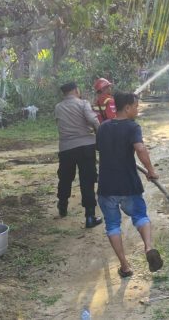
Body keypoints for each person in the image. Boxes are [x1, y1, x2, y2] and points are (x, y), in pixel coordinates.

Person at [96, 92, 162, 277]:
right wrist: (150, 170)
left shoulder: (103, 127)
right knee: (140, 216)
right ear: (126, 108)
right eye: (136, 107)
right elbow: (140, 148)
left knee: (112, 225)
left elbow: (102, 149)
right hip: (128, 184)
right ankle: (148, 247)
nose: (137, 110)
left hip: (106, 186)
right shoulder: (132, 127)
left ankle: (125, 266)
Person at [54, 82, 102, 228]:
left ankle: (62, 206)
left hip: (66, 148)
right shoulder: (83, 103)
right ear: (76, 90)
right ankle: (90, 216)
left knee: (65, 178)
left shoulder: (58, 107)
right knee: (87, 180)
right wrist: (99, 133)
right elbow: (93, 120)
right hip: (85, 147)